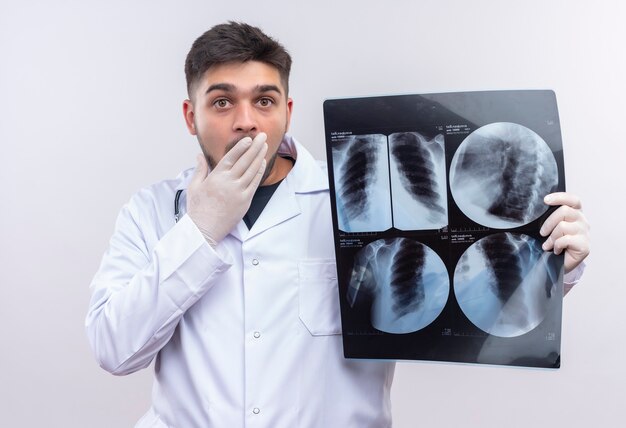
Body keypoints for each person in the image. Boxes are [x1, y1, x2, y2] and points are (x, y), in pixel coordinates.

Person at [85, 22, 590, 428]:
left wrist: (551, 262)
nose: (246, 121)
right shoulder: (150, 211)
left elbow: (473, 296)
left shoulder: (355, 207)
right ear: (189, 116)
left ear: (286, 110)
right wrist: (199, 231)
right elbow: (114, 350)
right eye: (221, 101)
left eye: (263, 100)